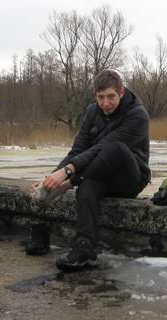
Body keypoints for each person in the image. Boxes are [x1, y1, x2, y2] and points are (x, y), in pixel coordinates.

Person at [26, 69, 151, 272]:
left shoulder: (138, 116)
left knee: (115, 148)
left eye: (110, 96)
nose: (105, 103)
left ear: (121, 92)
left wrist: (68, 177)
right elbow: (78, 150)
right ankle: (84, 249)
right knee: (87, 186)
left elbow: (105, 147)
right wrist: (52, 178)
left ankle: (71, 183)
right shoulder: (93, 112)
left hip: (130, 177)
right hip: (96, 174)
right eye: (100, 97)